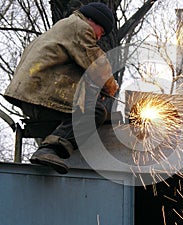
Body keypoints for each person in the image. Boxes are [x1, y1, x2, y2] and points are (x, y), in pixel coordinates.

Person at [4, 2, 118, 174]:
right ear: (93, 21)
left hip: (32, 93)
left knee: (90, 108)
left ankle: (54, 146)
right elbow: (97, 66)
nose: (99, 38)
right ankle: (50, 149)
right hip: (39, 95)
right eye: (101, 33)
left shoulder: (65, 26)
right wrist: (110, 87)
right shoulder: (80, 27)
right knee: (95, 112)